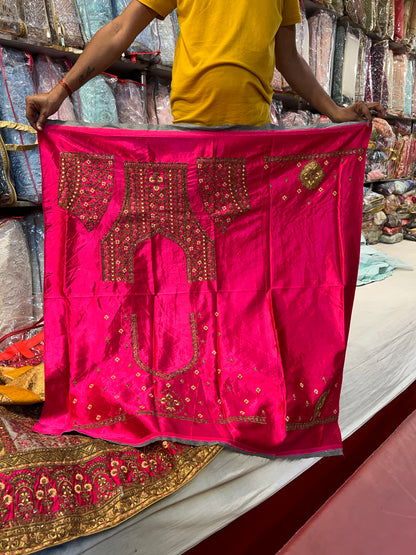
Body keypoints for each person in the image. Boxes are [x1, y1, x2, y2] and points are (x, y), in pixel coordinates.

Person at [26, 0, 385, 131]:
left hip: (253, 133)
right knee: (196, 257)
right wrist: (61, 91)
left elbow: (288, 57)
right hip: (190, 131)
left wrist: (335, 112)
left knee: (247, 257)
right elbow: (121, 29)